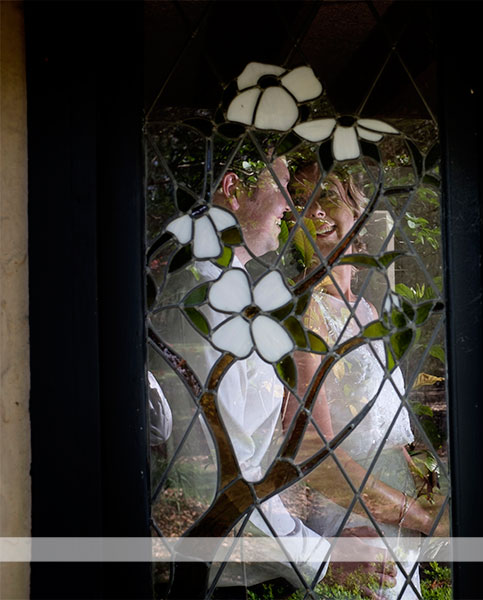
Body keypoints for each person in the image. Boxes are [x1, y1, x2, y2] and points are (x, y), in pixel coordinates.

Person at [154, 155, 396, 595]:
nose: (295, 208)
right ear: (234, 186)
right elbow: (222, 477)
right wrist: (321, 558)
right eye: (287, 191)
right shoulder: (211, 301)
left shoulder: (237, 294)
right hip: (216, 570)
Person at [283, 163, 447, 600]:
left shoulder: (367, 314)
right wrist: (426, 517)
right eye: (301, 201)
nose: (314, 210)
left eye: (328, 197)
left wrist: (432, 489)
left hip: (391, 515)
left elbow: (384, 430)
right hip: (347, 525)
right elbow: (312, 453)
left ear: (358, 215)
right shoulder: (302, 314)